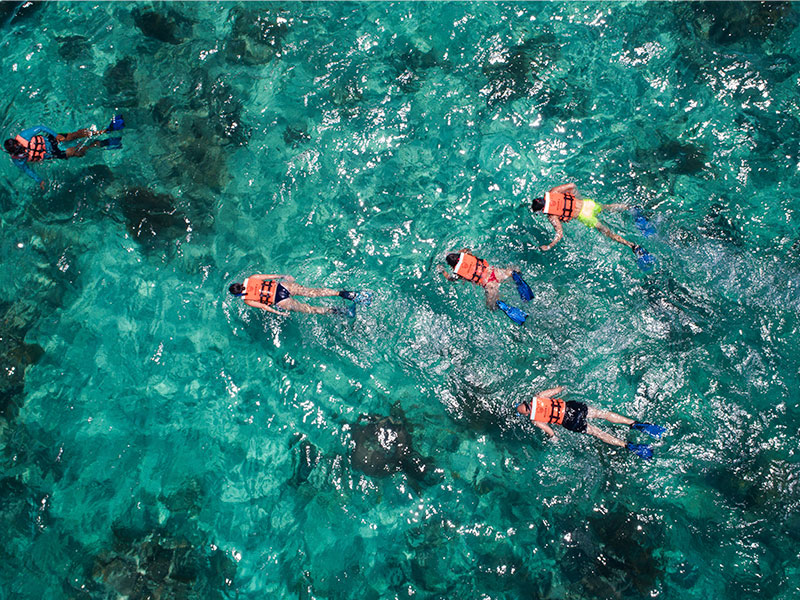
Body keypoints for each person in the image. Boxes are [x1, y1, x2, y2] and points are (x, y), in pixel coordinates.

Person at [515, 385, 665, 459]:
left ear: (527, 413)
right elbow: (558, 389)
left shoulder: (535, 420)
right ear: (527, 402)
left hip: (569, 422)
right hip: (573, 408)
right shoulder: (539, 396)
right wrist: (565, 386)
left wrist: (553, 439)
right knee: (603, 414)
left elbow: (551, 432)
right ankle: (634, 424)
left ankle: (627, 445)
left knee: (598, 433)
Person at [530, 183, 654, 268]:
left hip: (585, 216)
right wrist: (578, 198)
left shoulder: (552, 216)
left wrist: (549, 245)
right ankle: (630, 208)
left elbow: (559, 234)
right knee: (605, 207)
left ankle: (633, 246)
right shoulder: (553, 192)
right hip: (587, 204)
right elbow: (572, 186)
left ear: (542, 210)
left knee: (608, 233)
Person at [4, 116, 123, 189]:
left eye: (21, 147)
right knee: (78, 152)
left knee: (74, 135)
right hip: (53, 154)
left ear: (17, 142)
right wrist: (40, 180)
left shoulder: (24, 136)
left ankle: (105, 130)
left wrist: (56, 135)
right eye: (19, 151)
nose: (23, 151)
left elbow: (41, 127)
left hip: (51, 140)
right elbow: (27, 170)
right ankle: (101, 143)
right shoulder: (18, 161)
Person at [438, 248, 532, 324]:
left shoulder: (458, 273)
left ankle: (505, 307)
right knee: (513, 271)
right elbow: (467, 249)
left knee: (491, 306)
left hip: (489, 285)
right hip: (495, 272)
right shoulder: (468, 254)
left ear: (452, 266)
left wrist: (442, 271)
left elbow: (450, 278)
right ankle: (519, 281)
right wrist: (455, 252)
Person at [228, 274, 371, 317]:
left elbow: (264, 307)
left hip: (280, 301)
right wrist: (283, 276)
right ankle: (346, 294)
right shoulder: (252, 278)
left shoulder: (247, 300)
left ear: (238, 293)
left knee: (311, 309)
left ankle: (344, 312)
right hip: (283, 286)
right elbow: (270, 276)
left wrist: (280, 313)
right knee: (314, 292)